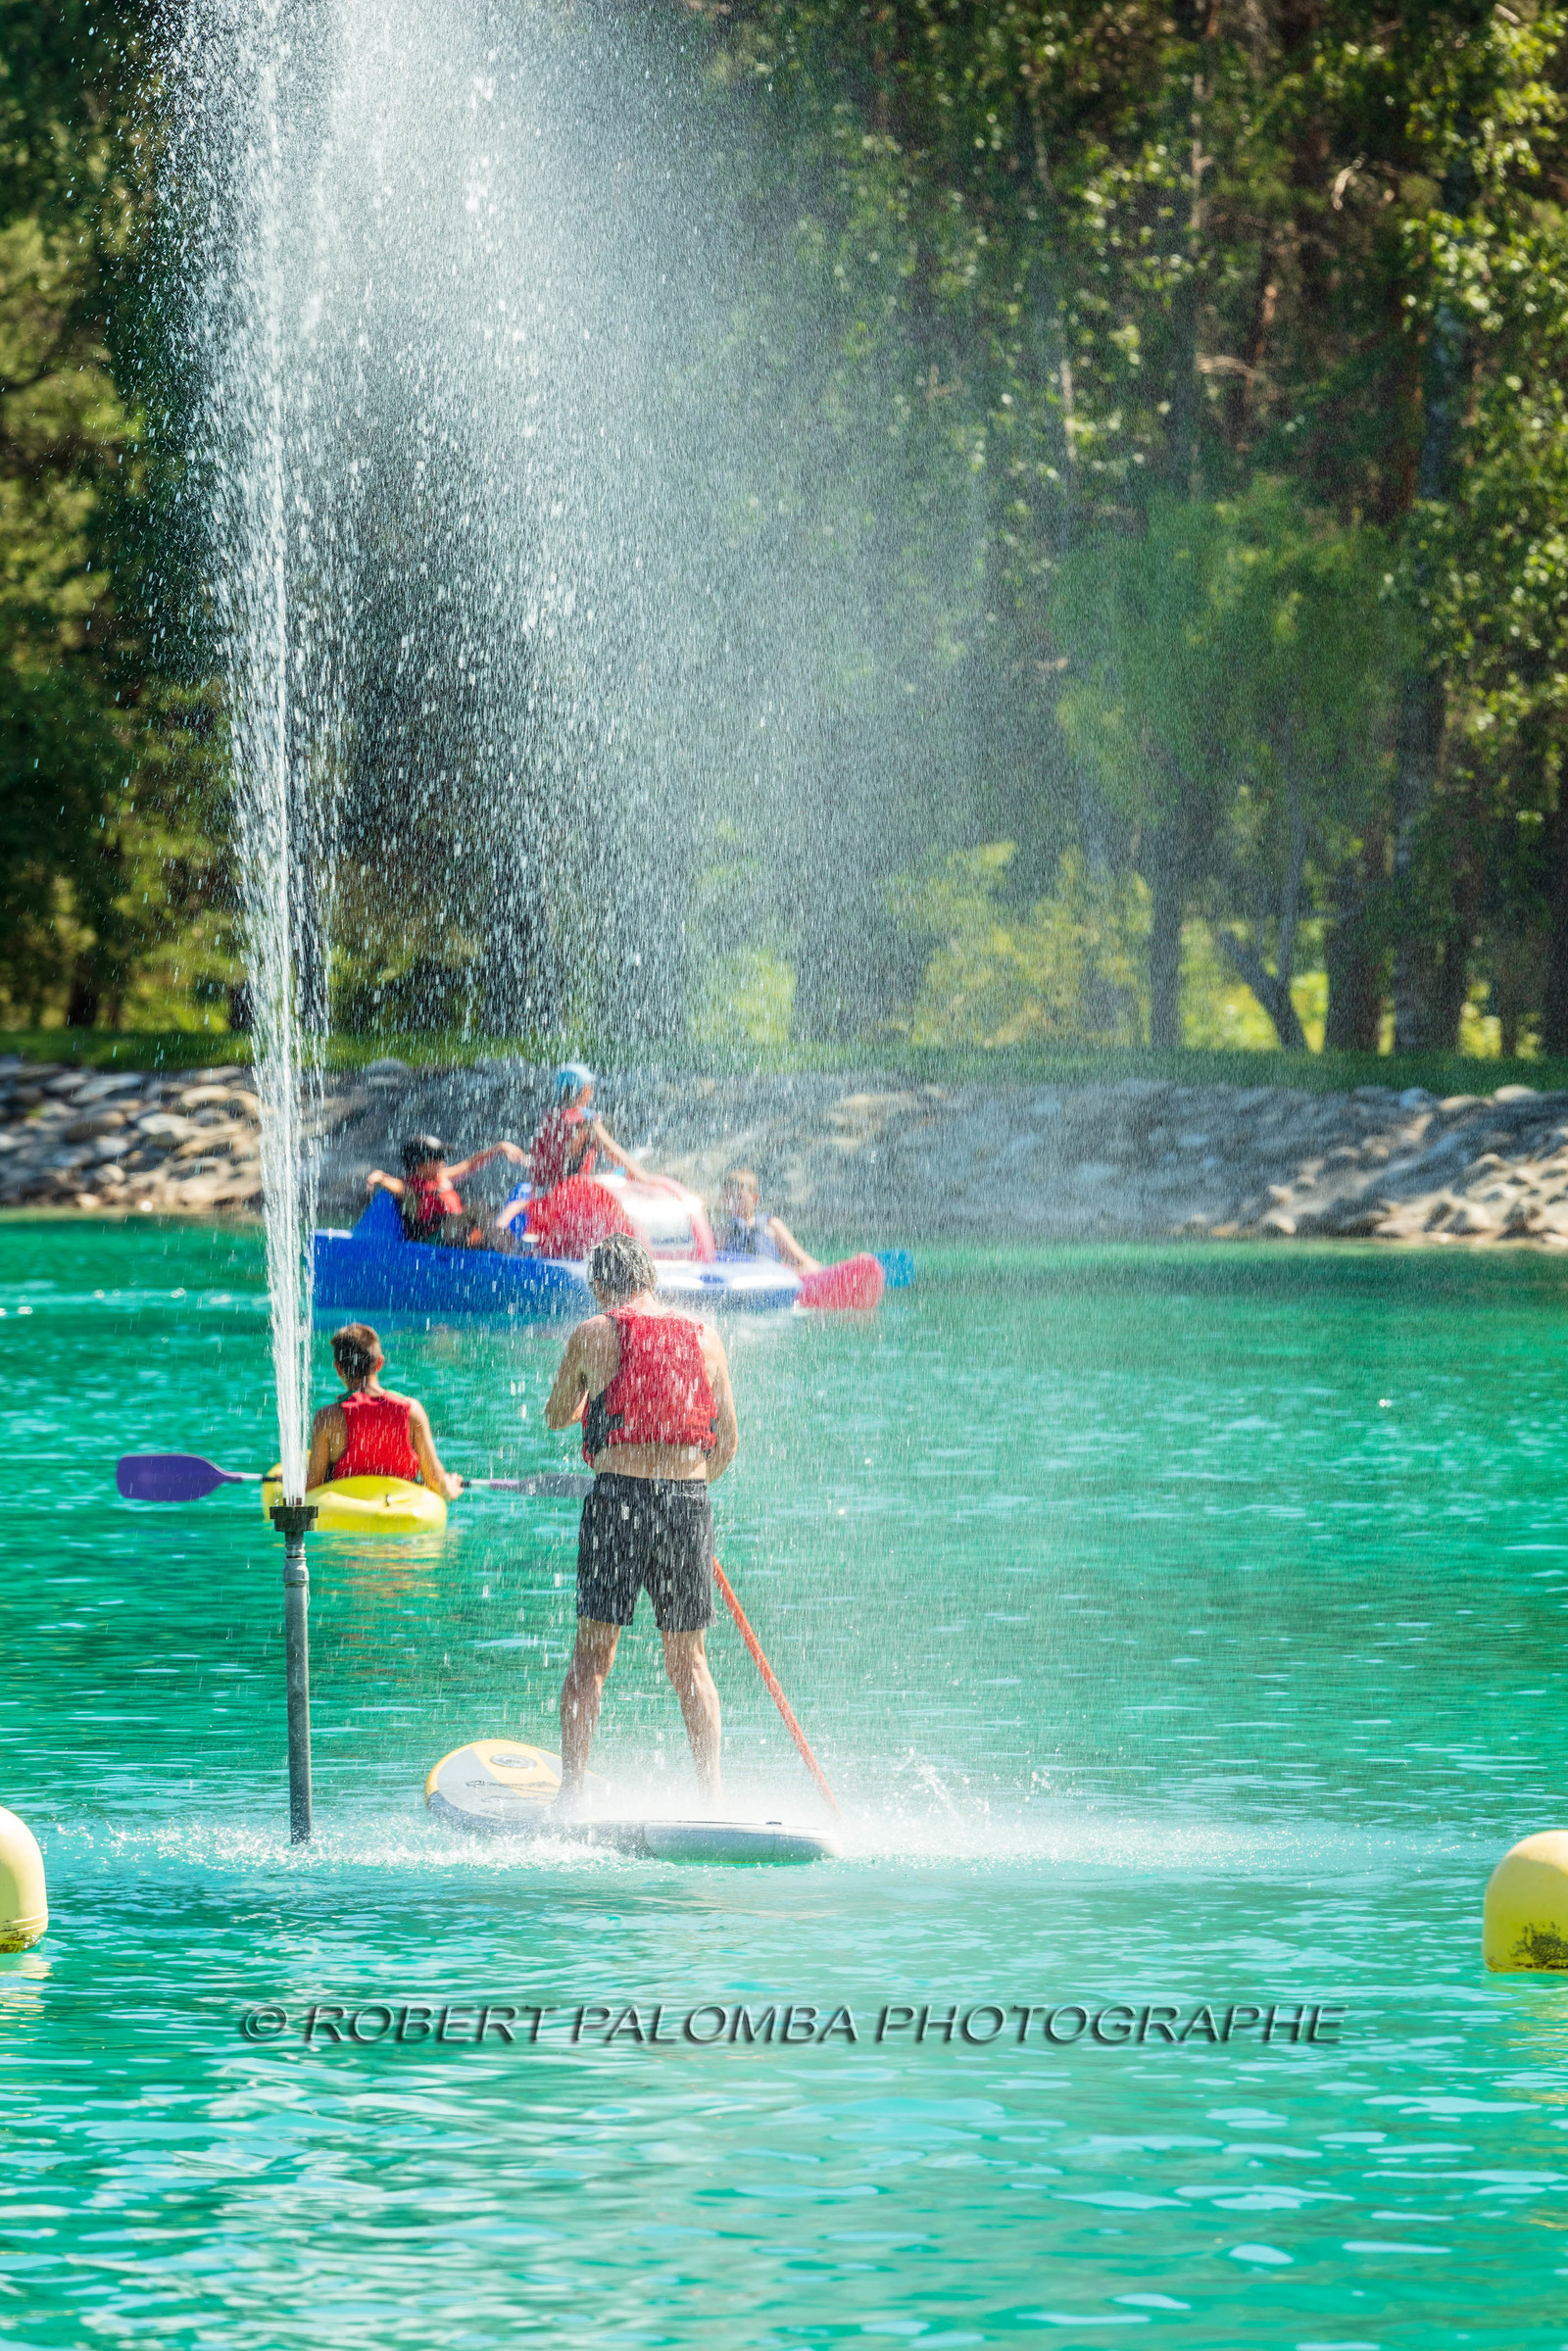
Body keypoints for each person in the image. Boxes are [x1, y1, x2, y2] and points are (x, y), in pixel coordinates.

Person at [544, 1231, 738, 1808]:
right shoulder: (706, 1336)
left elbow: (556, 1416)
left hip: (618, 1502)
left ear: (602, 1286)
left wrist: (587, 1395)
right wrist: (690, 1501)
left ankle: (572, 1794)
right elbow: (726, 1442)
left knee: (591, 1659)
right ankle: (713, 1800)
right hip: (687, 1504)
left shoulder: (594, 1333)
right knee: (690, 1661)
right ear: (650, 1279)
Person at [305, 1322, 463, 1498]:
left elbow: (312, 1488)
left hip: (348, 1509)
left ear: (338, 1368)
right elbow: (435, 1481)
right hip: (400, 1509)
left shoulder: (327, 1417)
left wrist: (290, 1481)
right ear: (379, 1363)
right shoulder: (411, 1411)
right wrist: (451, 1484)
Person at [366, 1134, 526, 1247]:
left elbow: (469, 1165)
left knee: (484, 1233)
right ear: (418, 1163)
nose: (442, 1162)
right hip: (431, 1240)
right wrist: (380, 1178)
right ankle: (507, 1256)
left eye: (442, 1157)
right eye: (436, 1158)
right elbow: (395, 1185)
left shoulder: (442, 1177)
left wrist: (498, 1148)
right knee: (477, 1210)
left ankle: (504, 1251)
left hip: (454, 1235)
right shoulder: (408, 1186)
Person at [526, 1065, 654, 1198]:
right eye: (590, 1086)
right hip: (570, 1195)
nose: (591, 1091)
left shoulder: (549, 1117)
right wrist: (648, 1180)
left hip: (540, 1192)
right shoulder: (587, 1121)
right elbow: (614, 1152)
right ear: (585, 1090)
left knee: (615, 1171)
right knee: (624, 1169)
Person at [712, 1166, 820, 1277]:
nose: (732, 1203)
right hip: (735, 1282)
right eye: (727, 1198)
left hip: (768, 1282)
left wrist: (818, 1274)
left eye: (739, 1197)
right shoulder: (722, 1229)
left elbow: (801, 1260)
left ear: (754, 1198)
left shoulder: (771, 1225)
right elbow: (710, 1261)